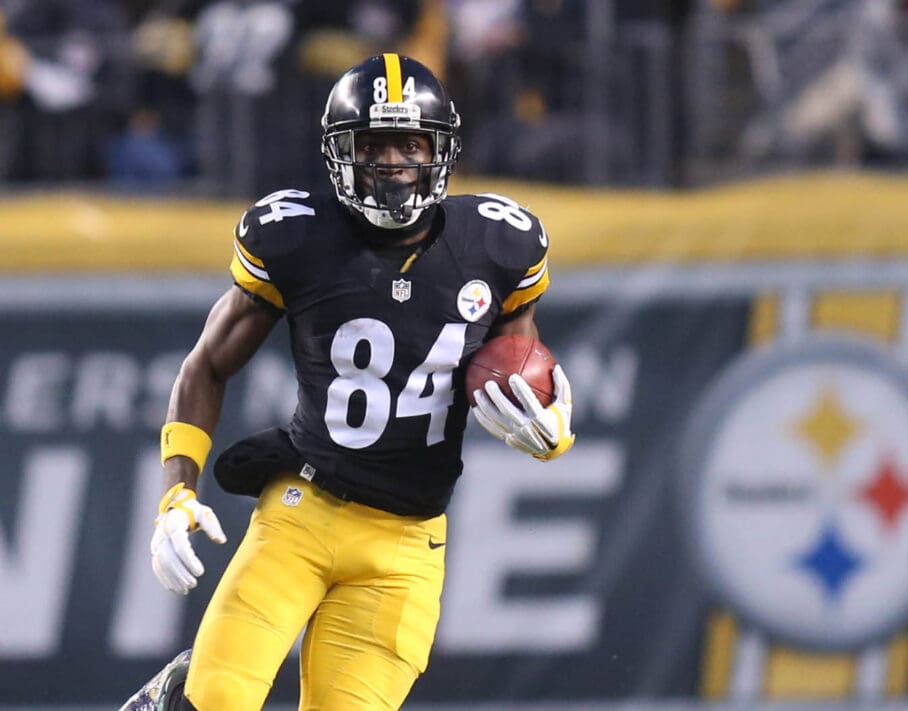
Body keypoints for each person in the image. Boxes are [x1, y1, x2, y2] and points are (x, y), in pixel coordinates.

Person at [120, 53, 575, 711]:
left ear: (441, 149)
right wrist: (174, 494)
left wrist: (553, 426)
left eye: (409, 143)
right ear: (341, 154)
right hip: (301, 513)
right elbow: (206, 364)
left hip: (405, 543)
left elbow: (522, 368)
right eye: (374, 144)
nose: (392, 163)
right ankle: (177, 695)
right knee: (215, 701)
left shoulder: (497, 246)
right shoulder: (298, 237)